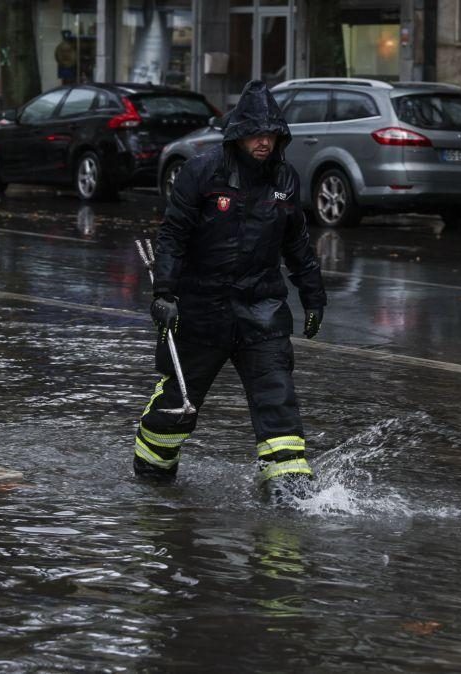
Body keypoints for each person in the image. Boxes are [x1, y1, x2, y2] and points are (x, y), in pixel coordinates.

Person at [133, 80, 327, 498]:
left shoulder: (285, 179)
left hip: (261, 311)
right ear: (239, 134)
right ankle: (151, 479)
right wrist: (164, 293)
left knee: (278, 402)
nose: (264, 142)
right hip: (202, 310)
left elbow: (297, 245)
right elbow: (173, 235)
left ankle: (289, 489)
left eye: (271, 135)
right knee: (175, 406)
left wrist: (313, 296)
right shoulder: (203, 171)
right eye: (257, 134)